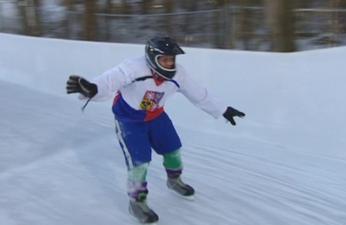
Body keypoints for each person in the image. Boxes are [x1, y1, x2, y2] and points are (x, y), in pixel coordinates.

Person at [66, 36, 245, 224]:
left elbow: (199, 93)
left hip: (156, 116)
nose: (170, 63)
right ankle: (137, 202)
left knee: (173, 149)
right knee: (139, 162)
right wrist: (93, 88)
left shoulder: (178, 75)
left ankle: (174, 180)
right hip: (129, 121)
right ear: (152, 58)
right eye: (165, 59)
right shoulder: (134, 68)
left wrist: (223, 110)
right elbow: (111, 80)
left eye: (172, 59)